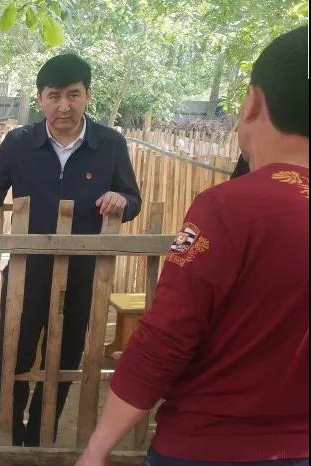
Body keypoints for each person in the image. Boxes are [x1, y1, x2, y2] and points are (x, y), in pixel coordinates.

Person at [76, 26, 308, 466]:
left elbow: (165, 339)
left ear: (252, 103)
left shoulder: (229, 208)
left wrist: (97, 447)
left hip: (210, 446)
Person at [0, 53, 142, 446]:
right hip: (26, 269)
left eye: (73, 95)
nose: (64, 106)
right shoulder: (20, 142)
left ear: (87, 95)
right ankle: (10, 431)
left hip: (83, 272)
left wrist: (121, 201)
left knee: (66, 356)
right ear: (40, 98)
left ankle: (42, 431)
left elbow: (133, 199)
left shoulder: (109, 144)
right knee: (12, 352)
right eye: (54, 96)